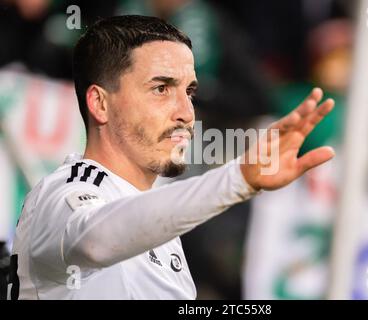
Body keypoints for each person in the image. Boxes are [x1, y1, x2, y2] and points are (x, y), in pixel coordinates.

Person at [8, 15, 335, 299]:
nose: (186, 112)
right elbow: (94, 240)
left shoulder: (157, 220)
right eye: (161, 89)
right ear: (100, 104)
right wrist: (237, 179)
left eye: (189, 91)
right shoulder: (63, 192)